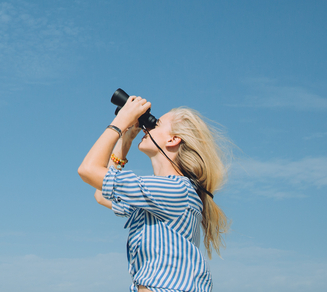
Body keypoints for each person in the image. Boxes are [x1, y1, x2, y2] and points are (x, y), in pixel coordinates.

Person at [78, 95, 229, 292]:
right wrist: (126, 140)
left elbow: (88, 170)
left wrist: (120, 121)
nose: (147, 127)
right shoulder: (157, 197)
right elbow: (102, 195)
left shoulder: (175, 190)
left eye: (156, 124)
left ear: (173, 139)